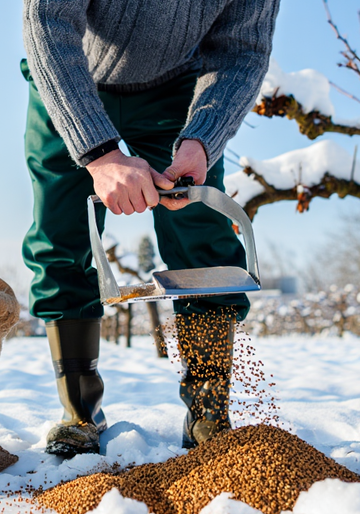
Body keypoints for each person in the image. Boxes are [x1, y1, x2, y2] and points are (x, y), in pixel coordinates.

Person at [20, 0, 280, 456]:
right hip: (70, 73)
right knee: (63, 237)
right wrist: (99, 154)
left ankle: (209, 412)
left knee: (205, 241)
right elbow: (47, 20)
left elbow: (242, 51)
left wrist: (202, 139)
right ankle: (80, 410)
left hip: (177, 92)